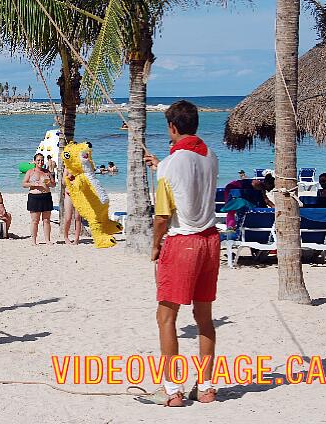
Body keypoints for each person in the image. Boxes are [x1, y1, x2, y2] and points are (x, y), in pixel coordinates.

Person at [142, 100, 219, 406]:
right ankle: (207, 386)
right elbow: (192, 179)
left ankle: (172, 389)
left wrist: (155, 245)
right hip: (210, 241)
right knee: (204, 318)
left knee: (165, 317)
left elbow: (162, 216)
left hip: (183, 242)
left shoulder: (171, 164)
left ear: (172, 127)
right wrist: (160, 165)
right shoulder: (210, 156)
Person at [23, 153, 56, 245]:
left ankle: (47, 240)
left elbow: (53, 185)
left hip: (46, 196)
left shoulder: (47, 172)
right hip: (34, 197)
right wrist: (34, 184)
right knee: (35, 221)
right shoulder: (30, 172)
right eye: (38, 160)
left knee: (46, 220)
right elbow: (24, 184)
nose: (40, 162)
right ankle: (33, 241)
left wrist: (49, 183)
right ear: (34, 161)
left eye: (42, 160)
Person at [63, 167, 82, 244]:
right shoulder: (67, 167)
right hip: (69, 194)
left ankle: (76, 238)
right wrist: (69, 176)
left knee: (78, 217)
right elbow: (63, 182)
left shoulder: (81, 167)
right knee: (68, 218)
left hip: (79, 194)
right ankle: (66, 237)